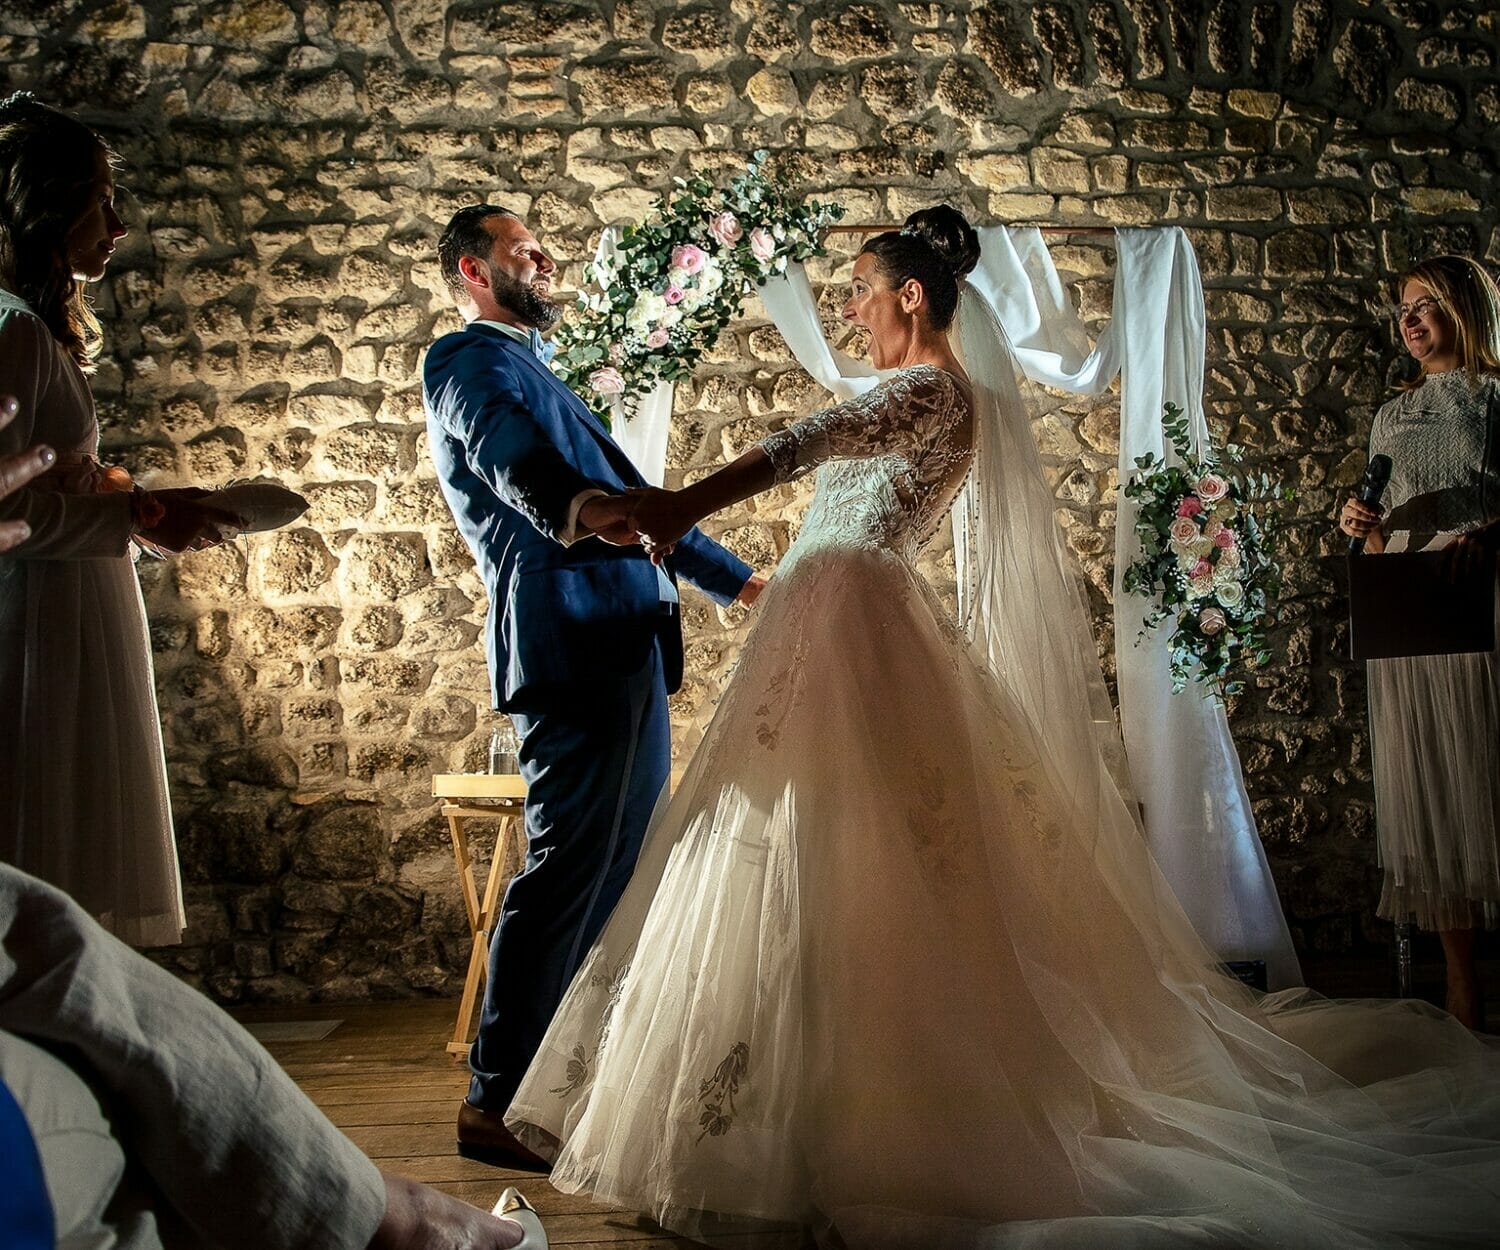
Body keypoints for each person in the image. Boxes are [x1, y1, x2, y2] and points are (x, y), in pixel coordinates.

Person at [505, 207, 1500, 1248]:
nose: (846, 308)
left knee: (863, 855)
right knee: (808, 850)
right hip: (828, 606)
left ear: (911, 297)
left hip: (852, 617)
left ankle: (859, 1117)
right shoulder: (920, 393)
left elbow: (799, 447)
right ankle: (776, 1105)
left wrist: (679, 504)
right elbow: (831, 486)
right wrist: (741, 565)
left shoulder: (933, 386)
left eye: (857, 288)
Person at [0, 394, 542, 1250]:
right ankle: (406, 1225)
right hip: (51, 592)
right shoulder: (19, 329)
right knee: (51, 942)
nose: (103, 245)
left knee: (58, 944)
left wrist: (131, 505)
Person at [422, 205, 765, 1168]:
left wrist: (734, 579)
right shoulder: (465, 362)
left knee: (615, 873)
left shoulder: (542, 371)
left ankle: (562, 1086)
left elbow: (636, 497)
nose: (547, 259)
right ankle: (496, 1100)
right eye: (525, 250)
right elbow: (511, 455)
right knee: (569, 864)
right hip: (572, 645)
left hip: (626, 643)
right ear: (473, 271)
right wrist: (577, 507)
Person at [0, 94, 228, 947]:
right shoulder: (15, 330)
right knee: (48, 834)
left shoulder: (32, 329)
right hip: (39, 623)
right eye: (100, 198)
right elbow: (6, 509)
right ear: (49, 205)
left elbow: (45, 472)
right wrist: (127, 515)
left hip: (70, 608)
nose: (118, 222)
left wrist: (111, 487)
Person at [1339, 254, 1500, 1030]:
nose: (1409, 320)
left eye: (1426, 304)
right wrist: (1360, 527)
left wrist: (1493, 534)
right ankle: (1462, 981)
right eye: (1403, 308)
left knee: (1486, 777)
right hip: (1410, 607)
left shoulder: (1496, 396)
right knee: (1433, 785)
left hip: (1483, 601)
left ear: (1466, 310)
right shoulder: (1389, 416)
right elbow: (1384, 525)